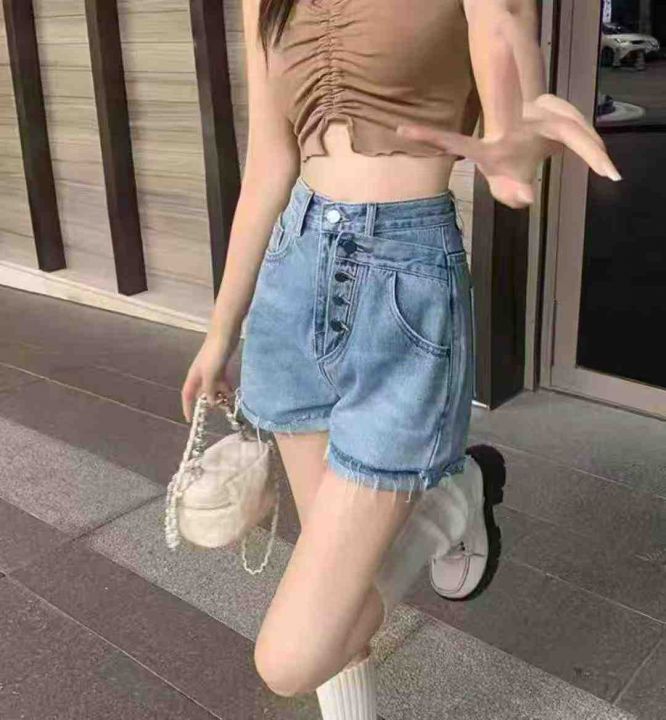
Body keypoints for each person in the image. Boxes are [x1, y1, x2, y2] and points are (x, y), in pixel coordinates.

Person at [181, 1, 620, 717]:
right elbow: (268, 162)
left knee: (293, 655)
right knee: (338, 603)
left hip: (404, 285)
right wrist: (220, 330)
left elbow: (501, 63)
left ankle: (449, 504)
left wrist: (514, 137)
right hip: (292, 282)